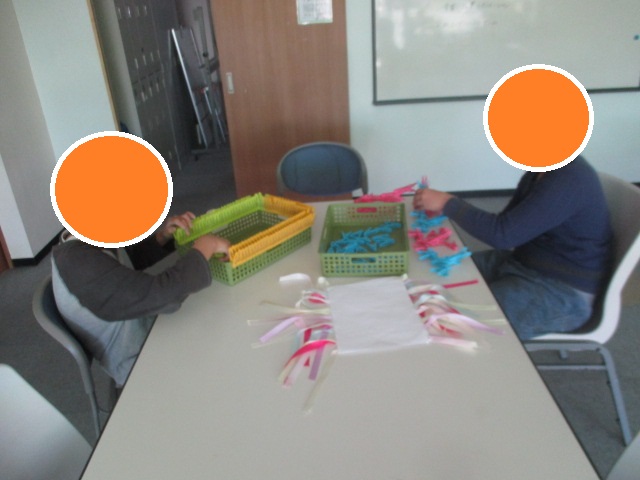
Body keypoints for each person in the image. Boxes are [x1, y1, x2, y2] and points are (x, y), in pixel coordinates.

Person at [412, 156, 613, 340]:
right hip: (523, 263)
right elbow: (509, 223)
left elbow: (503, 235)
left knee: (454, 321)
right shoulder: (540, 171)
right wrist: (447, 208)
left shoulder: (569, 179)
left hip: (562, 291)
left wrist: (449, 204)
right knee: (430, 276)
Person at [51, 212, 230, 388]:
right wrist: (207, 246)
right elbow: (161, 296)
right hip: (139, 364)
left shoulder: (89, 240)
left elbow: (125, 262)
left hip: (152, 332)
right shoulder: (77, 262)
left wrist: (163, 237)